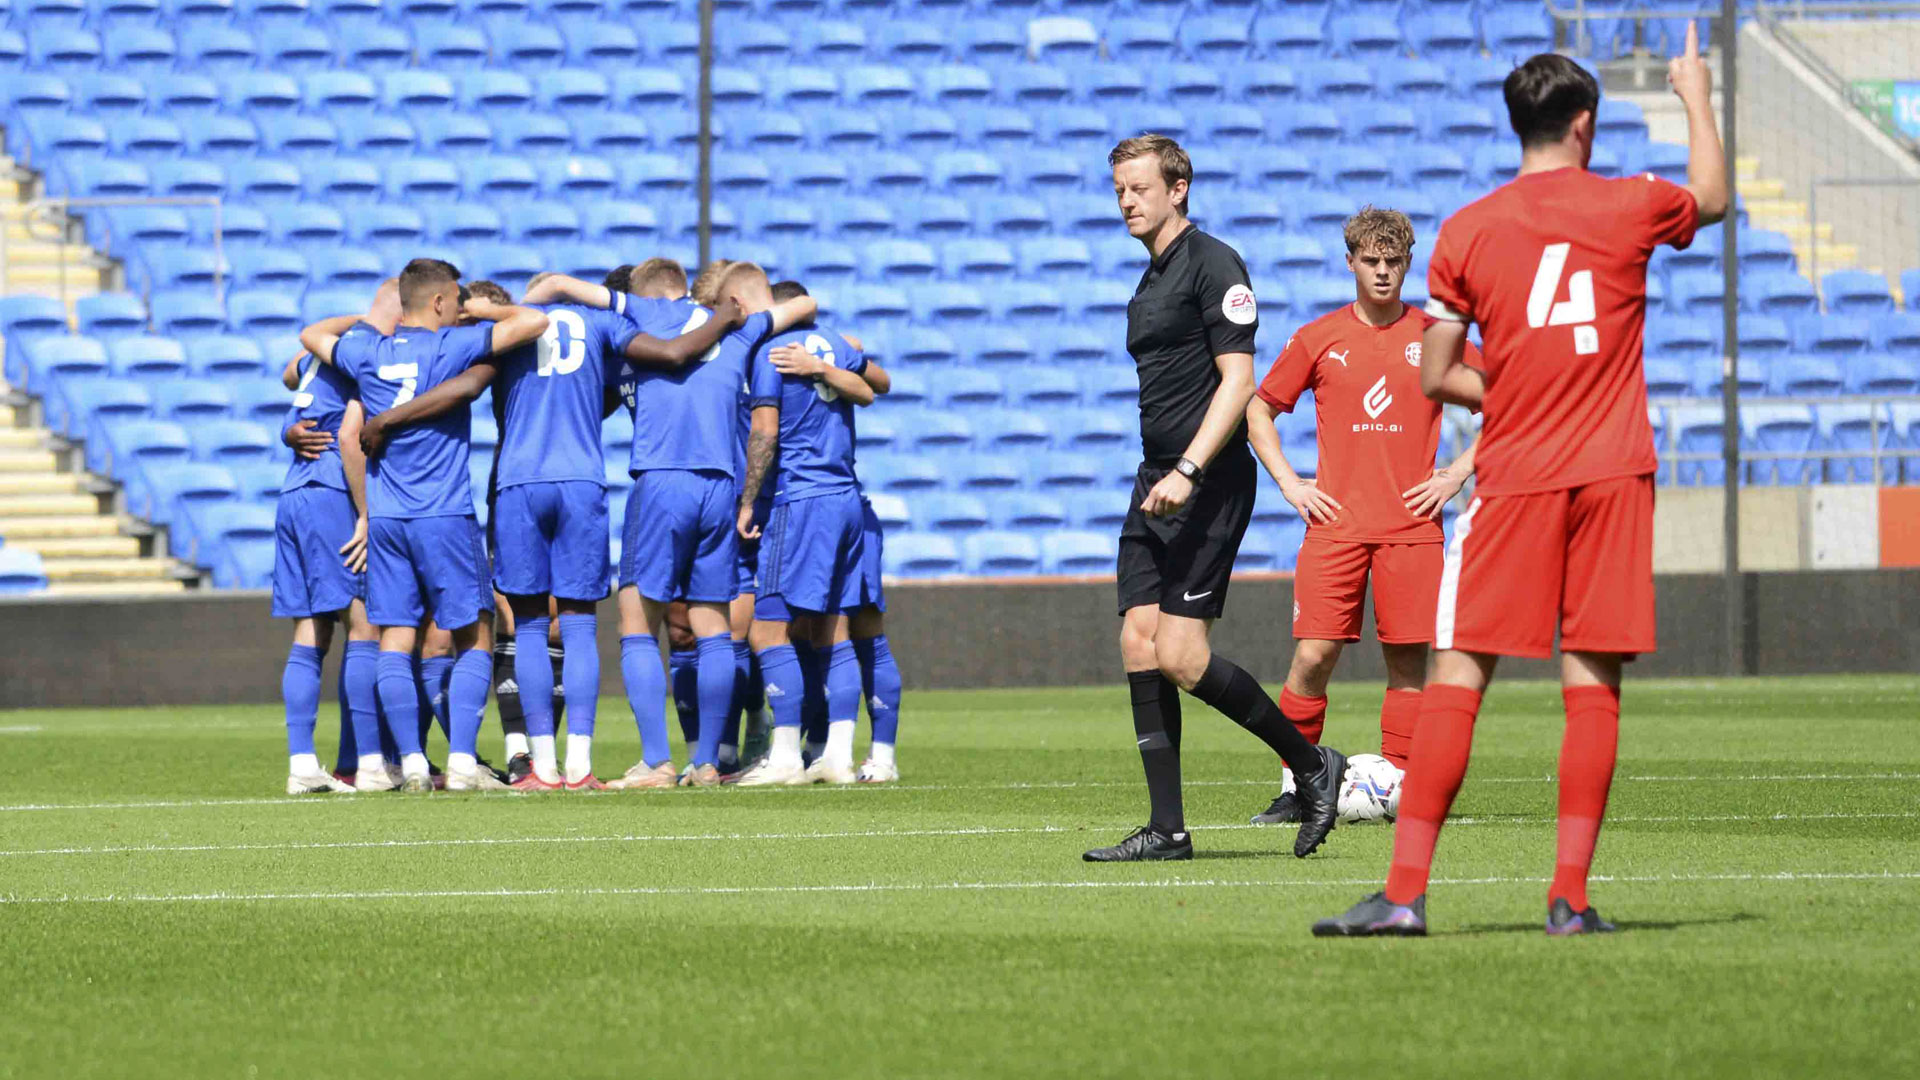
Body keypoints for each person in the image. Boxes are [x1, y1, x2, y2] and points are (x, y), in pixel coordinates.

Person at [1313, 33, 1727, 937]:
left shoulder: (1467, 229)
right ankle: (1569, 899)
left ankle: (1406, 894)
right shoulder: (1631, 203)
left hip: (1517, 476)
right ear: (1585, 125)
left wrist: (1512, 386)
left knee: (1460, 670)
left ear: (1519, 126)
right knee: (1592, 679)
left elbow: (1436, 372)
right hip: (1615, 471)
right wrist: (1694, 92)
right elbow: (1717, 198)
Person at [368, 273, 738, 789]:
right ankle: (581, 767)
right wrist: (723, 319)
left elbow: (469, 383)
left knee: (531, 628)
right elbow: (668, 354)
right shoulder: (600, 323)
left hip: (518, 482)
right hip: (582, 482)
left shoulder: (512, 330)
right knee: (581, 625)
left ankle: (539, 767)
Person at [1088, 134, 1345, 864]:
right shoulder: (1149, 281)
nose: (1127, 201)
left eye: (1138, 187)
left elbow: (1239, 383)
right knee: (1138, 639)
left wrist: (1192, 470)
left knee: (1181, 654)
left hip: (1205, 482)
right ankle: (1167, 829)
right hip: (1157, 479)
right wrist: (1165, 474)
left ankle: (1310, 763)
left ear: (1179, 188)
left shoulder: (1215, 264)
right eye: (1119, 191)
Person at [1244, 208, 1481, 824]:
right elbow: (1259, 411)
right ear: (1349, 262)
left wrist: (1456, 474)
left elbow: (1511, 402)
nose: (1382, 272)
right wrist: (1291, 484)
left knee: (1407, 662)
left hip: (1412, 531)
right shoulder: (1318, 337)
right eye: (1370, 261)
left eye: (1393, 261)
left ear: (1407, 265)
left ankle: (1399, 788)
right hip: (1335, 530)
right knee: (1313, 658)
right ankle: (1299, 786)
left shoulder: (1437, 337)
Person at [526, 266, 800, 789]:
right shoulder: (741, 327)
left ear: (643, 296)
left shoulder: (648, 313)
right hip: (721, 484)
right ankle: (707, 762)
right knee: (713, 627)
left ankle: (656, 761)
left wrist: (534, 299)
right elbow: (800, 308)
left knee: (636, 620)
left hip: (663, 479)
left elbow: (565, 286)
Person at [299, 258, 549, 792]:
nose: (461, 308)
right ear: (439, 303)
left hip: (387, 518)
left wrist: (368, 319)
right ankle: (461, 762)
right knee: (475, 633)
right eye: (455, 300)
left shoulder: (368, 350)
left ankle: (410, 762)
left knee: (395, 635)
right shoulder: (452, 345)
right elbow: (535, 323)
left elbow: (311, 334)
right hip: (443, 512)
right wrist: (485, 310)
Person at [730, 281, 878, 786]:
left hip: (802, 499)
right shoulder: (834, 342)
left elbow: (765, 431)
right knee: (833, 629)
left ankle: (787, 754)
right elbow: (872, 389)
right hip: (845, 499)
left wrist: (750, 499)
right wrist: (828, 367)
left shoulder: (772, 351)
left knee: (767, 629)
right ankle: (837, 755)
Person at [270, 280, 399, 794]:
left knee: (311, 631)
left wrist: (289, 428)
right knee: (362, 625)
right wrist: (366, 514)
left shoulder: (327, 355)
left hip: (293, 495)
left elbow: (289, 373)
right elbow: (350, 435)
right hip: (330, 492)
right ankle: (369, 763)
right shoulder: (368, 355)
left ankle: (304, 765)